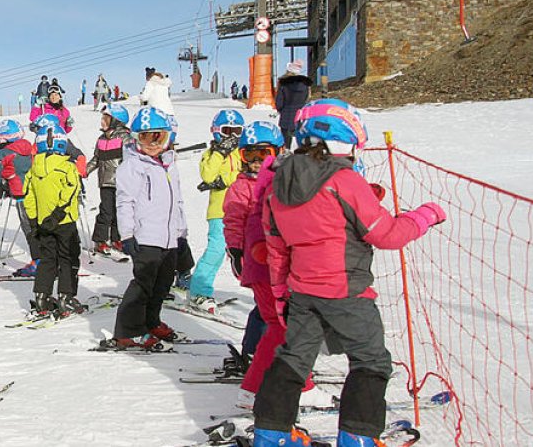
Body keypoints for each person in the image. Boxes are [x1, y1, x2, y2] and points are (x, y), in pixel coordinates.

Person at [251, 100, 446, 447]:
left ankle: (271, 434)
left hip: (302, 292)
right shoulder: (343, 180)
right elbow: (386, 234)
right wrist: (424, 216)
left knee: (293, 359)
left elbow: (277, 245)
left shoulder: (278, 183)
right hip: (346, 291)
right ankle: (357, 438)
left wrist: (282, 292)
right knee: (371, 361)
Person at [223, 121, 324, 410]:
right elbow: (232, 222)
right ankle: (293, 385)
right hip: (260, 267)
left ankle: (259, 384)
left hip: (285, 267)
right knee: (284, 327)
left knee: (283, 327)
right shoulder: (241, 188)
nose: (256, 163)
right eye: (249, 156)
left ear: (278, 151)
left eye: (262, 154)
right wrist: (236, 251)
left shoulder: (285, 180)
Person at [103, 107, 188, 350]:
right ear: (135, 139)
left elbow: (178, 201)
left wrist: (181, 233)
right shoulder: (132, 167)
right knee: (142, 286)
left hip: (169, 238)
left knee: (162, 285)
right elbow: (125, 202)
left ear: (167, 137)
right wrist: (127, 235)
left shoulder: (169, 165)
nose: (152, 144)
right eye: (145, 137)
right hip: (146, 237)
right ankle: (127, 331)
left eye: (157, 137)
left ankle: (151, 322)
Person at [22, 123, 84, 317]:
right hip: (64, 222)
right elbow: (71, 191)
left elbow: (28, 197)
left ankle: (42, 296)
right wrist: (57, 214)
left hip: (43, 223)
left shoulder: (33, 169)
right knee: (68, 258)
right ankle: (66, 297)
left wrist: (34, 221)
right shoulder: (67, 167)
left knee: (48, 259)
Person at [189, 109, 246, 310]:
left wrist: (227, 180)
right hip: (220, 212)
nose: (231, 137)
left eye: (236, 131)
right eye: (227, 131)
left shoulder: (244, 153)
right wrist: (221, 152)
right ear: (216, 132)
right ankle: (199, 291)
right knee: (216, 251)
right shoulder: (211, 154)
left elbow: (245, 175)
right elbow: (208, 175)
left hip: (244, 210)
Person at [0, 119, 37, 277]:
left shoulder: (4, 152)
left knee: (28, 228)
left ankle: (38, 261)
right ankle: (48, 258)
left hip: (19, 194)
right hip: (35, 192)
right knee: (38, 225)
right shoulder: (29, 147)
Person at [87, 103, 130, 256]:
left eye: (106, 118)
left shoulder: (125, 138)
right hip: (105, 182)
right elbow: (96, 159)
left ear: (116, 121)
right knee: (106, 212)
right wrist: (85, 170)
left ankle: (116, 239)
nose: (102, 122)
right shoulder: (101, 139)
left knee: (119, 211)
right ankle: (100, 240)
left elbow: (130, 159)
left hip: (121, 182)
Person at [275, 61, 311, 148]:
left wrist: (280, 109)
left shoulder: (283, 84)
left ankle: (287, 154)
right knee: (301, 137)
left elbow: (279, 101)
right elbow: (307, 99)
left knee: (286, 140)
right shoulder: (305, 84)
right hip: (300, 115)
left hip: (286, 115)